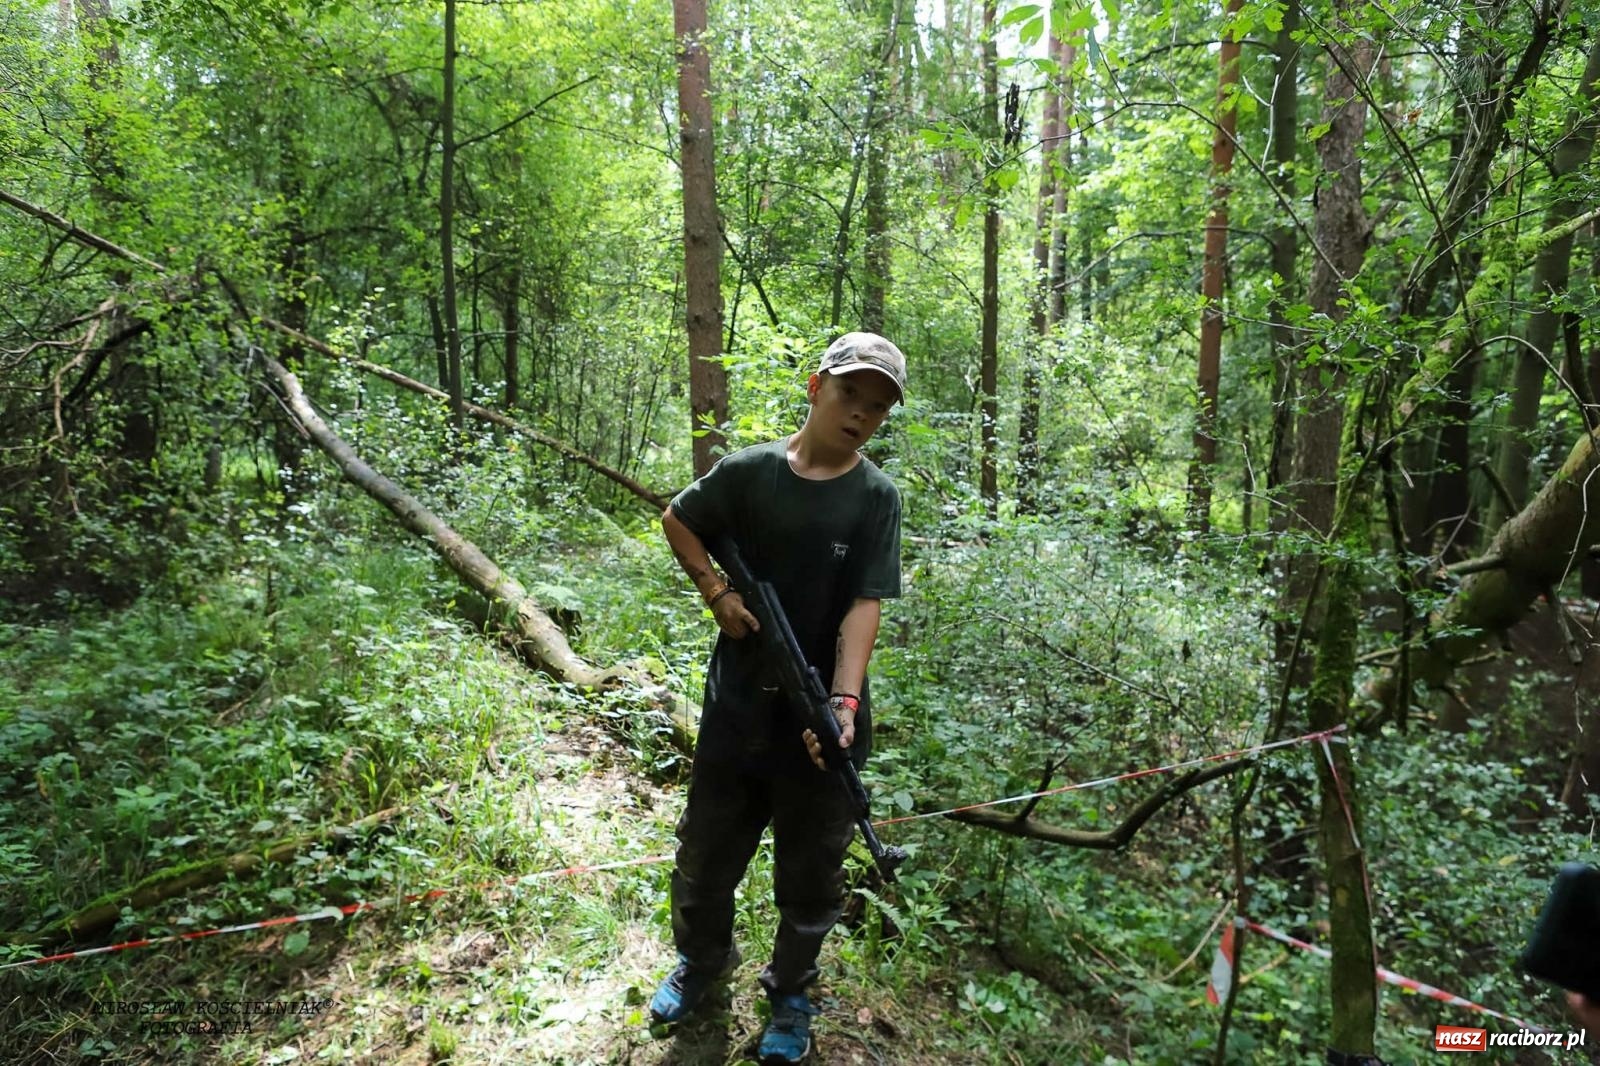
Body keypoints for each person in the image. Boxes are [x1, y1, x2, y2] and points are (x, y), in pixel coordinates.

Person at [649, 332, 906, 1064]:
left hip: (823, 722)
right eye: (851, 392)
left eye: (878, 406)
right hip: (737, 710)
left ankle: (791, 993)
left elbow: (864, 605)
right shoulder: (750, 472)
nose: (861, 412)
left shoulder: (875, 498)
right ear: (816, 385)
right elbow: (680, 518)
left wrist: (845, 704)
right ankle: (702, 964)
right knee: (706, 853)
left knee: (813, 872)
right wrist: (716, 591)